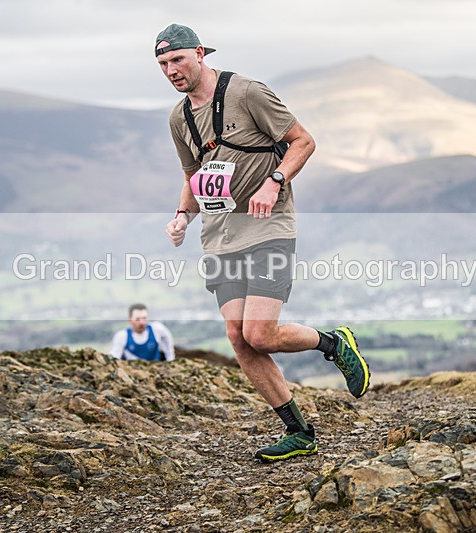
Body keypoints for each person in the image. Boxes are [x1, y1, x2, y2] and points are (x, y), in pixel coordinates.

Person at [155, 23, 370, 461]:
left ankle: (334, 343)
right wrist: (181, 215)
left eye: (177, 59)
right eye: (163, 64)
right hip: (219, 237)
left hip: (269, 226)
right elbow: (192, 177)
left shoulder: (248, 92)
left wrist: (275, 181)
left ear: (199, 53)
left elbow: (302, 142)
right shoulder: (179, 118)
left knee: (260, 332)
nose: (172, 70)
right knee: (239, 338)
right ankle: (299, 432)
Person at [109, 303, 175, 362]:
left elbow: (168, 344)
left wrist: (170, 360)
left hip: (155, 372)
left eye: (144, 318)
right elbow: (114, 357)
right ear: (130, 320)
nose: (142, 322)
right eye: (137, 319)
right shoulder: (122, 336)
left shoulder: (157, 329)